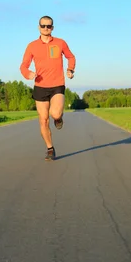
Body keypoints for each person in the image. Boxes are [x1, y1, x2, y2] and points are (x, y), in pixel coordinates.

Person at [20, 15, 76, 161]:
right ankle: (50, 148)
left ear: (52, 28)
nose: (46, 28)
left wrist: (70, 70)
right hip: (40, 86)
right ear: (39, 27)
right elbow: (23, 66)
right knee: (43, 120)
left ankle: (58, 118)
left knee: (55, 114)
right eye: (43, 26)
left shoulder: (60, 43)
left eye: (49, 26)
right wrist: (28, 74)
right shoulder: (32, 46)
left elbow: (71, 57)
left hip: (57, 84)